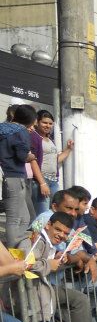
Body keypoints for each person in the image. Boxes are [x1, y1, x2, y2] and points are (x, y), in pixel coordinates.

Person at [1, 104, 39, 246]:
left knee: (25, 217)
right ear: (30, 119)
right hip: (14, 177)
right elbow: (22, 156)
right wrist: (32, 156)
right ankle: (13, 250)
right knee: (15, 218)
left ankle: (19, 245)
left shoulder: (3, 129)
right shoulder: (21, 132)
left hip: (7, 176)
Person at [33, 110, 72, 215]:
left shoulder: (49, 139)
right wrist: (42, 183)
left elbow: (55, 160)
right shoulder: (34, 137)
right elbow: (33, 162)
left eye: (50, 123)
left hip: (53, 180)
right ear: (37, 122)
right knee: (43, 214)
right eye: (44, 122)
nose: (48, 126)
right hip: (41, 179)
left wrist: (68, 149)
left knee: (55, 211)